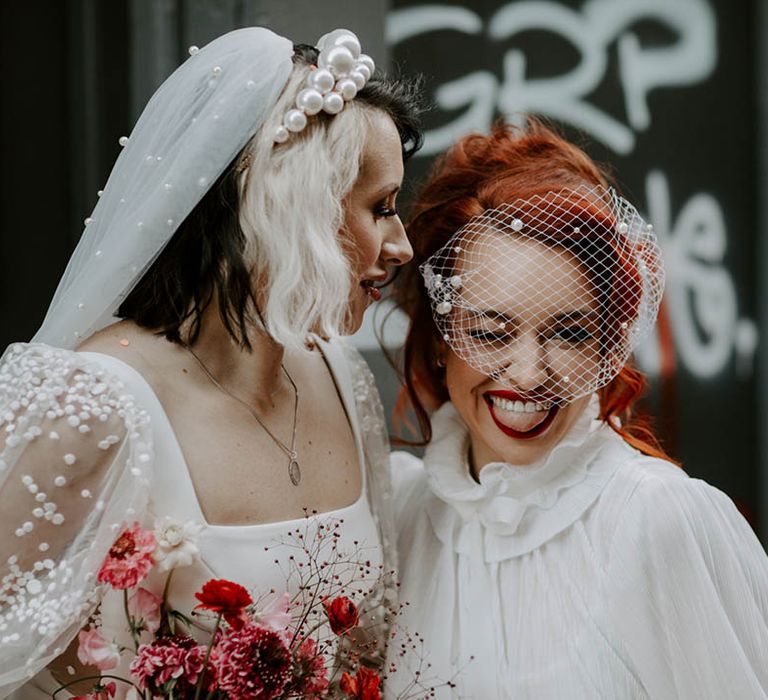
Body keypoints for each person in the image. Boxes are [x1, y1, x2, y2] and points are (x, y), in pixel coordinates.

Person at [0, 27, 422, 697]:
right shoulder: (92, 404)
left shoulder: (342, 377)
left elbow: (370, 645)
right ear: (297, 206)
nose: (401, 245)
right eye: (381, 208)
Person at [387, 122, 768, 698]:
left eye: (568, 334)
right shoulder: (399, 517)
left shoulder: (659, 519)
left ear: (609, 345)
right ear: (442, 337)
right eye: (491, 333)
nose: (529, 373)